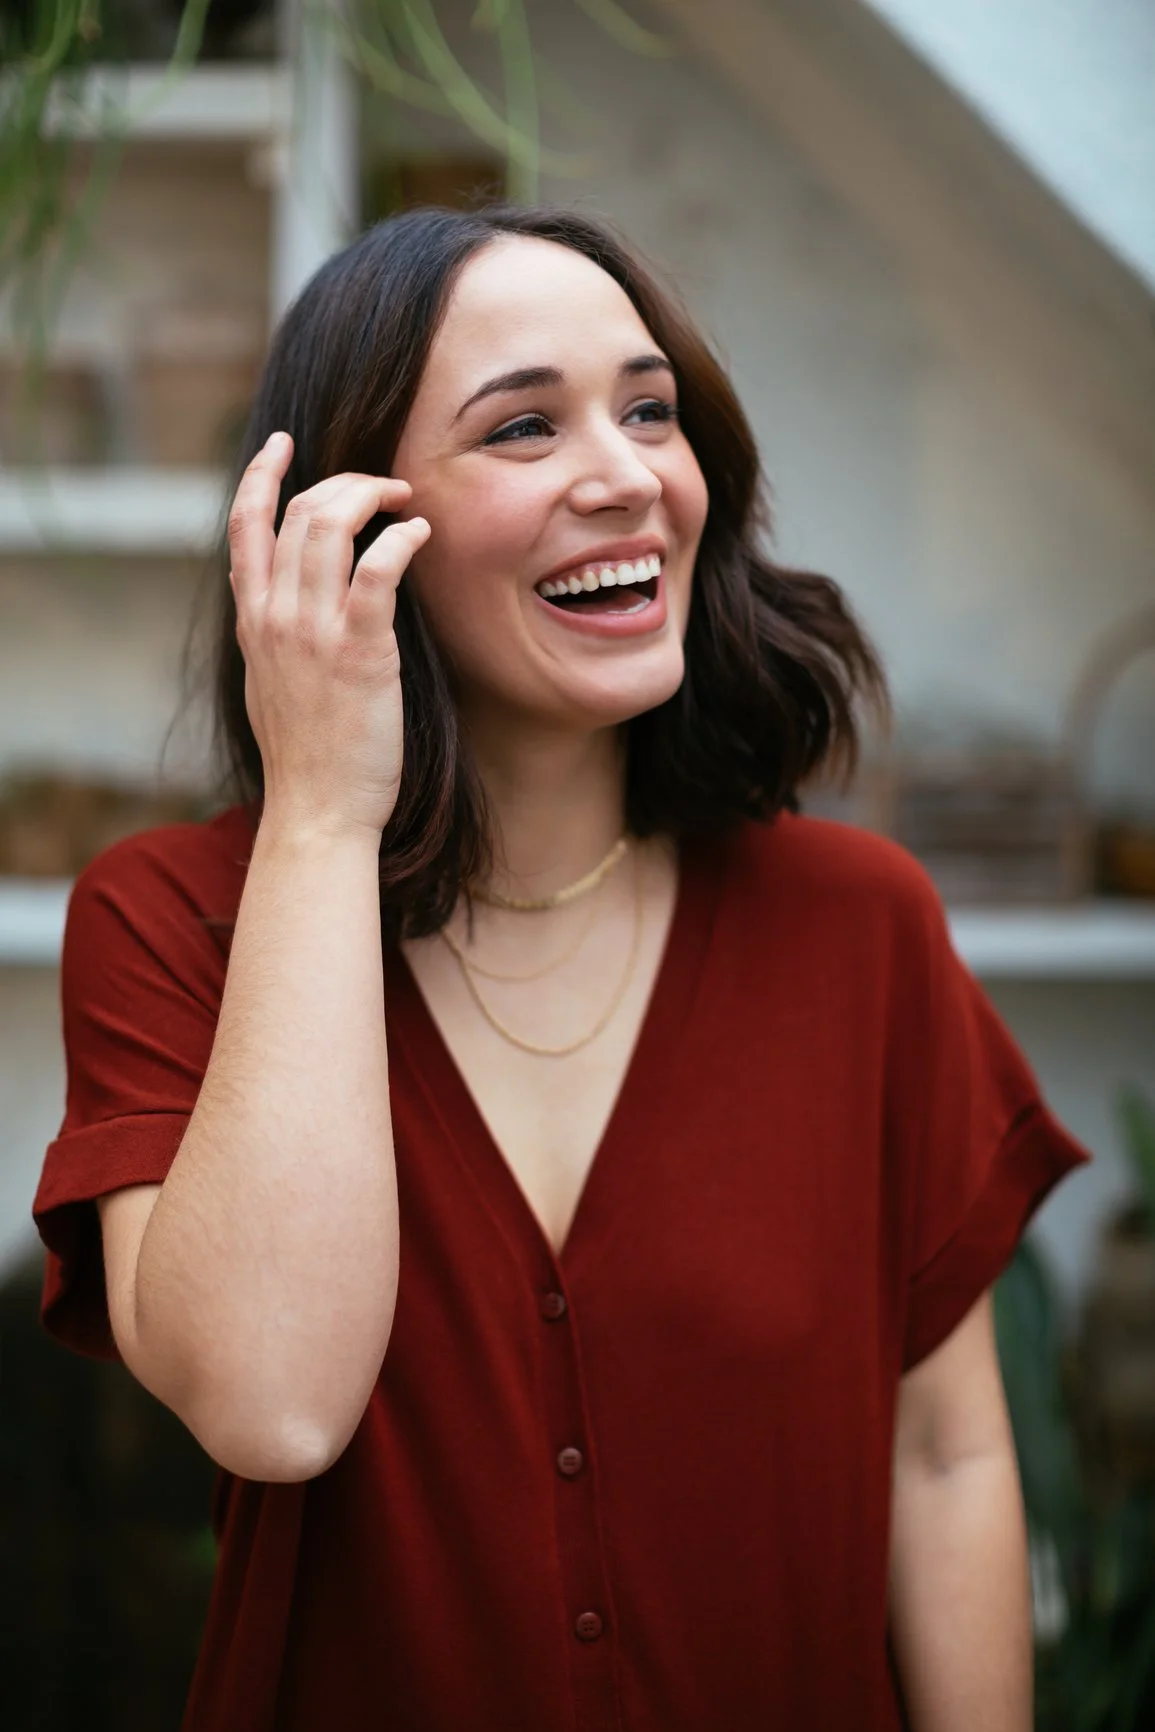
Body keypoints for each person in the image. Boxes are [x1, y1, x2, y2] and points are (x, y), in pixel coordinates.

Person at [33, 203, 1088, 1732]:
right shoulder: (168, 922)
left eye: (650, 409)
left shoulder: (855, 922)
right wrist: (323, 812)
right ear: (347, 522)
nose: (626, 476)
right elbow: (273, 1406)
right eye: (523, 427)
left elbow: (946, 1455)